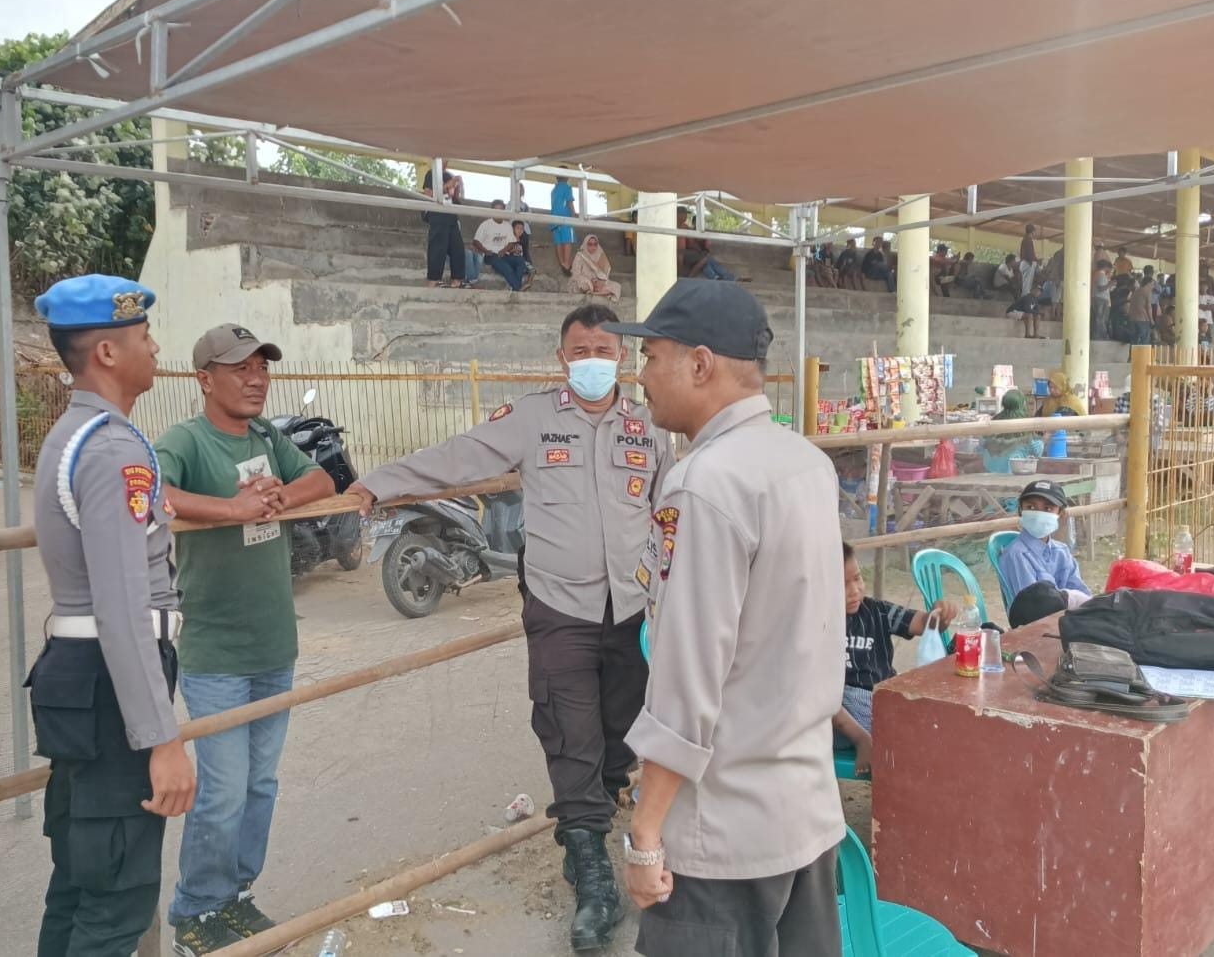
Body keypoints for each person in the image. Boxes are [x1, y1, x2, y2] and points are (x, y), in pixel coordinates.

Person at [348, 305, 671, 952]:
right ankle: (591, 870)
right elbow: (457, 457)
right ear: (562, 358)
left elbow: (669, 512)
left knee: (621, 732)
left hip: (633, 610)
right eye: (581, 350)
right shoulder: (532, 418)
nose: (593, 360)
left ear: (623, 357)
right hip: (560, 608)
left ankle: (594, 822)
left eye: (604, 350)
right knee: (570, 732)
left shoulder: (649, 428)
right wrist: (376, 484)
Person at [607, 280, 845, 957]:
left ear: (700, 364)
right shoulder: (805, 463)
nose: (640, 376)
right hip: (805, 810)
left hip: (725, 835)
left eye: (651, 356)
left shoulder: (705, 484)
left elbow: (687, 681)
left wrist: (645, 833)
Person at [28, 274, 196, 957]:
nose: (154, 348)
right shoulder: (111, 449)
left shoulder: (77, 434)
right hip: (111, 684)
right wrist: (162, 740)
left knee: (80, 886)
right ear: (105, 352)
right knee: (117, 899)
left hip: (86, 678)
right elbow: (123, 607)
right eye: (143, 336)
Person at [156, 324, 336, 954]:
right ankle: (194, 911)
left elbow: (322, 481)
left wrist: (281, 493)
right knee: (224, 789)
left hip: (273, 644)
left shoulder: (265, 437)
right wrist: (232, 509)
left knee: (259, 786)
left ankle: (234, 896)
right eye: (241, 369)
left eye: (262, 367)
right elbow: (154, 494)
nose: (257, 379)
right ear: (204, 380)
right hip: (216, 650)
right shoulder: (185, 440)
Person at [832, 541, 953, 775]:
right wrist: (861, 738)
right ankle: (878, 737)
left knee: (924, 712)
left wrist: (938, 616)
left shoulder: (877, 611)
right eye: (843, 584)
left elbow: (922, 623)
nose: (855, 590)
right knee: (833, 695)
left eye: (857, 578)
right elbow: (819, 694)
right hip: (842, 717)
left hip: (880, 700)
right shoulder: (818, 624)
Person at [997, 480, 1091, 602]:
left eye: (1048, 508)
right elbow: (1032, 605)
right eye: (1031, 507)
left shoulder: (1061, 551)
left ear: (1061, 514)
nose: (1038, 514)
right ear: (1020, 510)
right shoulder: (1016, 555)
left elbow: (1081, 592)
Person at [471, 199, 532, 291]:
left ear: (504, 210)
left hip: (504, 254)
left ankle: (515, 288)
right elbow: (476, 241)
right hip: (491, 255)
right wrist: (486, 251)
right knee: (506, 267)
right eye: (496, 210)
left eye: (501, 210)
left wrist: (504, 250)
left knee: (520, 260)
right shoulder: (486, 224)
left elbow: (511, 242)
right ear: (492, 211)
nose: (499, 213)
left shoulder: (507, 225)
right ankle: (518, 288)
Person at [978, 389, 1043, 473]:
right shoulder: (1026, 422)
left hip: (991, 472)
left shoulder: (995, 420)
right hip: (1015, 472)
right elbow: (1037, 450)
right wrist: (1044, 440)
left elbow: (982, 445)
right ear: (1022, 404)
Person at [421, 168, 466, 287]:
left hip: (451, 214)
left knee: (458, 249)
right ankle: (434, 280)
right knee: (438, 248)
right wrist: (446, 186)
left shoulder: (449, 175)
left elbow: (454, 198)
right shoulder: (432, 173)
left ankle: (457, 281)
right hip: (437, 213)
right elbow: (428, 194)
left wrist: (457, 187)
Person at [676, 209, 734, 281]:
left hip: (696, 252)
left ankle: (720, 277)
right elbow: (691, 244)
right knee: (705, 259)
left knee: (707, 259)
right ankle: (721, 277)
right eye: (697, 222)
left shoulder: (700, 232)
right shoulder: (688, 229)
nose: (686, 216)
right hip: (687, 252)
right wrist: (699, 250)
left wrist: (701, 250)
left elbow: (705, 247)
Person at [569, 234, 620, 299]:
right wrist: (589, 280)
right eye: (590, 244)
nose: (593, 247)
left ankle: (594, 293)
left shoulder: (600, 253)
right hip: (585, 280)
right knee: (584, 285)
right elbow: (576, 274)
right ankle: (596, 291)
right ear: (585, 244)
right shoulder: (580, 255)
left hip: (597, 282)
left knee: (616, 286)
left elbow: (605, 273)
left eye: (595, 244)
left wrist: (599, 280)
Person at [551, 174, 579, 273]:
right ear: (567, 177)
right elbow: (569, 202)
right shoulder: (567, 187)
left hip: (554, 218)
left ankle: (561, 262)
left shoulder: (554, 190)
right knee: (567, 241)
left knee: (558, 242)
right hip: (565, 218)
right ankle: (566, 263)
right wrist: (574, 214)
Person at [1128, 273, 1157, 346]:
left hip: (1132, 319)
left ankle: (1132, 353)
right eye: (1153, 284)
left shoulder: (1135, 292)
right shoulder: (1147, 292)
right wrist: (1151, 320)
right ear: (1149, 283)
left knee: (1133, 341)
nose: (1153, 286)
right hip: (1143, 319)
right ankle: (1143, 354)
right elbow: (1149, 307)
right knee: (1144, 341)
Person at [1091, 259, 1113, 339]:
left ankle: (1097, 336)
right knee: (1101, 320)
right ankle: (1099, 337)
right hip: (1101, 299)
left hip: (1097, 298)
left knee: (1097, 319)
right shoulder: (1101, 275)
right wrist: (1110, 284)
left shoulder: (1095, 274)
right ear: (1106, 267)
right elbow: (1101, 288)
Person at [1019, 223, 1040, 295]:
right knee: (1027, 286)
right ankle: (1025, 299)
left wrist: (1036, 260)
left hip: (1025, 263)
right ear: (1032, 231)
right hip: (1028, 263)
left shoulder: (1025, 239)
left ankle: (1025, 298)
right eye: (1034, 231)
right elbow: (1029, 254)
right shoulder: (1028, 240)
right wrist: (1035, 260)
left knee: (1027, 285)